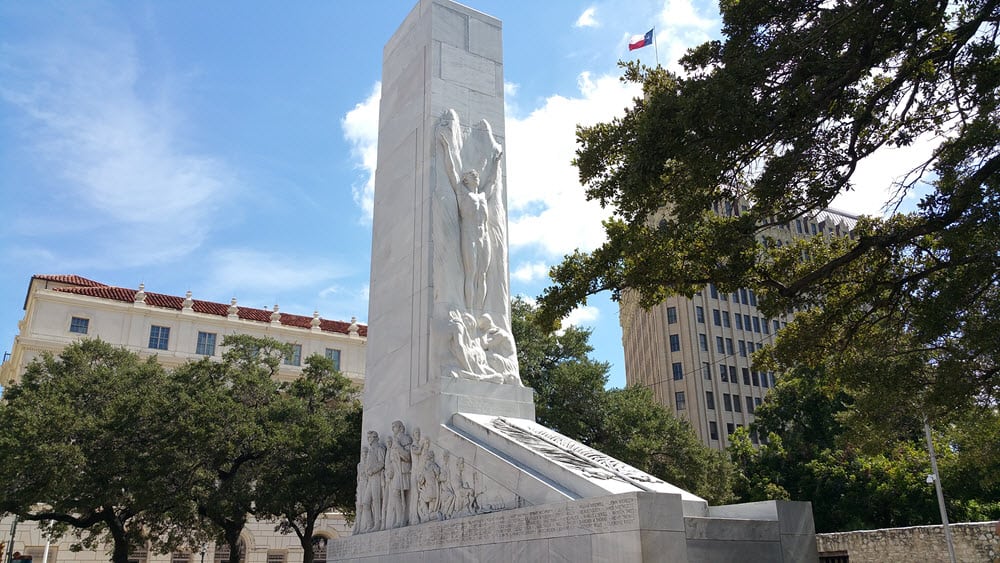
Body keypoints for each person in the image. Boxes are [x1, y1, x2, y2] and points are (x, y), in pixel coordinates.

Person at [439, 109, 503, 311]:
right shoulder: (461, 192)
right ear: (465, 180)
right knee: (471, 273)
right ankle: (468, 309)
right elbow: (450, 170)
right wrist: (447, 146)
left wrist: (496, 161)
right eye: (471, 175)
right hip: (469, 235)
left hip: (483, 236)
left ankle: (478, 311)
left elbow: (492, 181)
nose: (475, 176)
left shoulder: (483, 195)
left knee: (482, 275)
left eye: (476, 175)